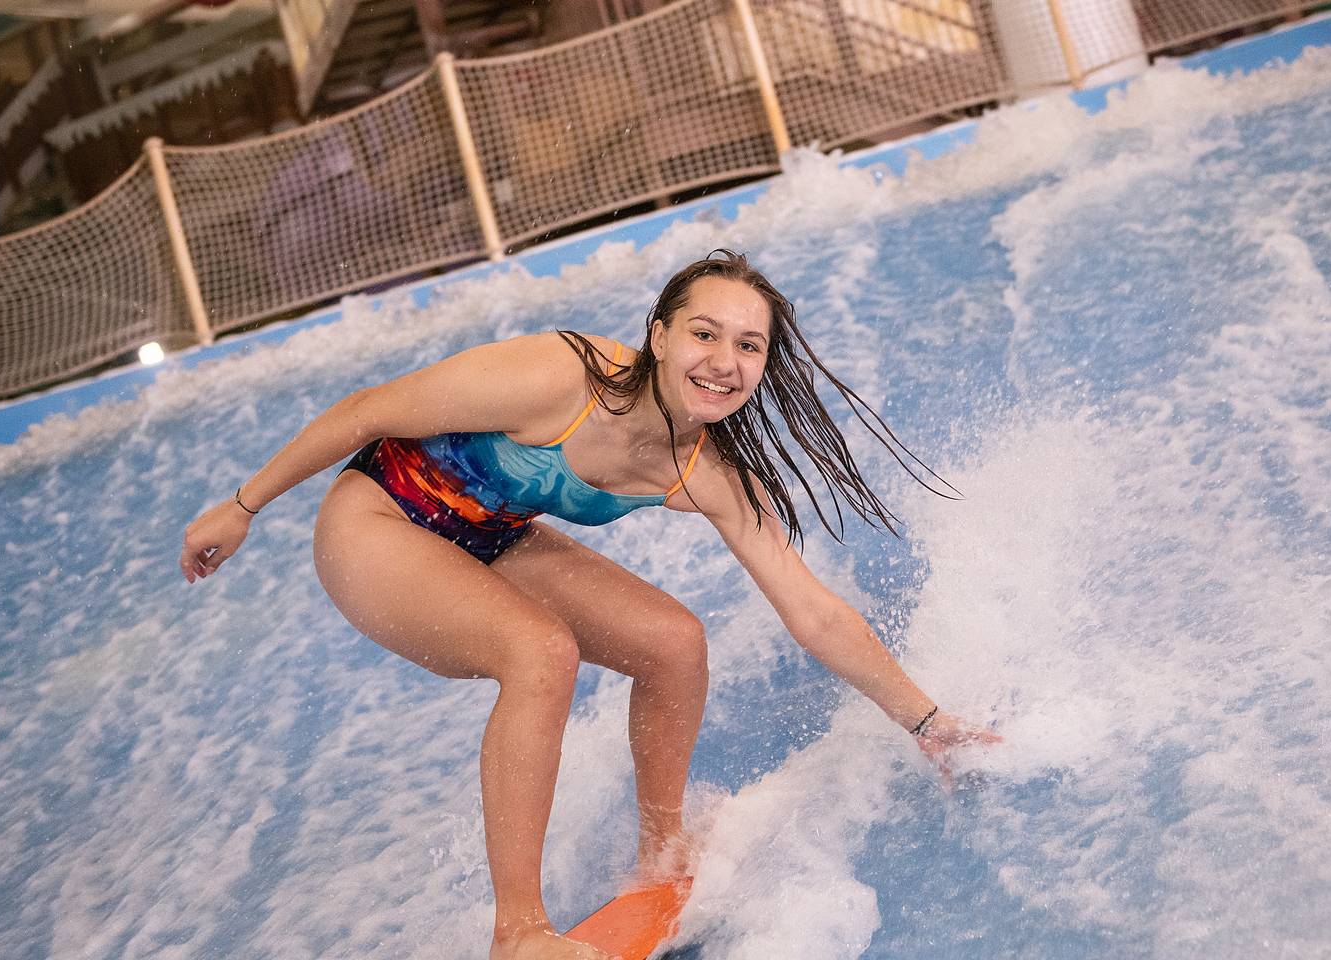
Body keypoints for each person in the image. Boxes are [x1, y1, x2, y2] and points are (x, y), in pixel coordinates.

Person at [179, 250, 997, 960]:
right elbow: (370, 408)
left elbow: (813, 612)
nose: (724, 360)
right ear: (660, 334)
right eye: (704, 333)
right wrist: (242, 506)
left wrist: (928, 724)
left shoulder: (707, 473)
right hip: (377, 521)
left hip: (490, 534)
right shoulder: (563, 376)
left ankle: (662, 847)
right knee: (540, 651)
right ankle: (520, 932)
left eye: (749, 346)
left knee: (674, 641)